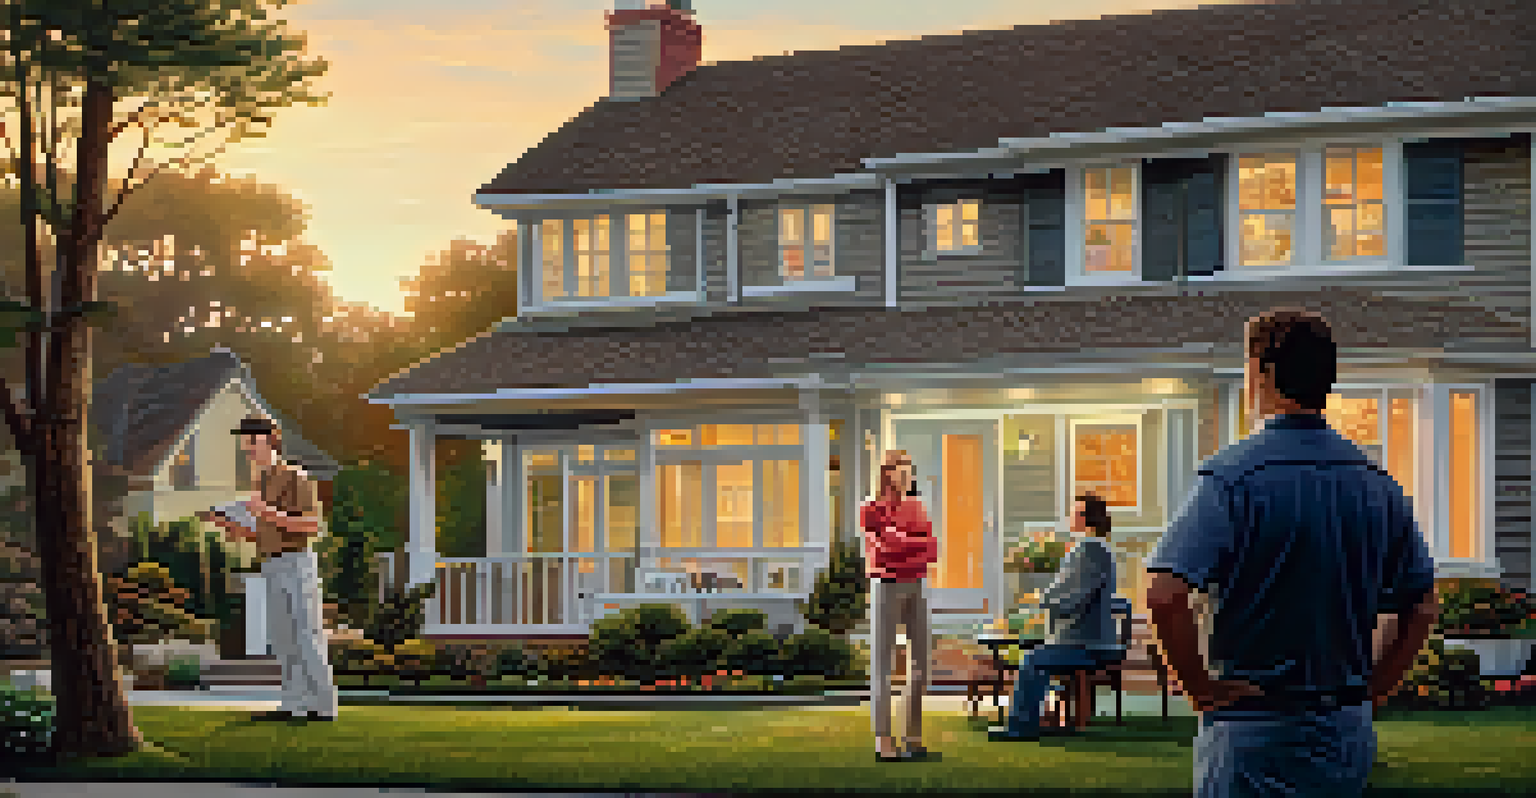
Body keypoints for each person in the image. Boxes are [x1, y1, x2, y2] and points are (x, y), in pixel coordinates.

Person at [1144, 308, 1438, 797]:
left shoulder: (1232, 479)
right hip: (1343, 730)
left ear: (1259, 372)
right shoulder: (1377, 485)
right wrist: (1374, 691)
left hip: (1253, 727)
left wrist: (1198, 688)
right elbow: (1421, 605)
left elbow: (1165, 594)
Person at [200, 416, 337, 722]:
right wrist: (232, 527)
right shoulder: (259, 482)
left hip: (297, 562)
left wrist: (265, 511)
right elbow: (267, 532)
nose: (247, 446)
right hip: (272, 562)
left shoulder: (295, 477)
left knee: (307, 634)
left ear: (271, 439)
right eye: (244, 440)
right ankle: (294, 704)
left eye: (253, 439)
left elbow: (312, 525)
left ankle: (324, 706)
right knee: (283, 637)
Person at [990, 493, 1120, 741]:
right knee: (1036, 658)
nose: (1069, 517)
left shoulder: (1091, 549)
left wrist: (1044, 600)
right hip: (1080, 640)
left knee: (1032, 661)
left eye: (1074, 512)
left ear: (1086, 518)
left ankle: (1021, 728)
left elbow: (1075, 598)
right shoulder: (1092, 548)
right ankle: (1039, 720)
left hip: (1088, 643)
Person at [861, 449, 939, 762]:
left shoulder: (917, 506)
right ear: (886, 473)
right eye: (899, 469)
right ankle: (883, 738)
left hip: (916, 584)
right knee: (883, 662)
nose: (906, 474)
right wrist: (909, 543)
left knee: (921, 662)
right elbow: (880, 552)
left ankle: (913, 737)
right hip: (886, 585)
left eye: (909, 468)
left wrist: (901, 541)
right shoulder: (871, 508)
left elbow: (931, 548)